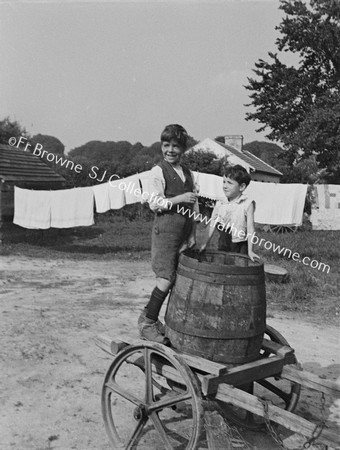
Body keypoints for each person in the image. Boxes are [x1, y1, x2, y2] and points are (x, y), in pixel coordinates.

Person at [138, 124, 198, 344]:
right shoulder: (158, 171)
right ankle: (147, 322)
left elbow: (194, 206)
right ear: (161, 146)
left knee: (176, 279)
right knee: (165, 278)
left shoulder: (189, 174)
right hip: (165, 232)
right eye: (166, 145)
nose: (170, 150)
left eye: (175, 146)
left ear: (183, 149)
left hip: (183, 233)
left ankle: (153, 318)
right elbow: (154, 203)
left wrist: (192, 234)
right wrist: (179, 199)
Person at [200, 165, 260, 262]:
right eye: (224, 182)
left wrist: (250, 250)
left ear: (242, 187)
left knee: (238, 267)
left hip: (240, 244)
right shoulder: (220, 202)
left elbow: (250, 228)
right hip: (224, 241)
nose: (225, 186)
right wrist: (203, 244)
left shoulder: (247, 204)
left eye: (229, 183)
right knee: (223, 265)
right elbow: (212, 225)